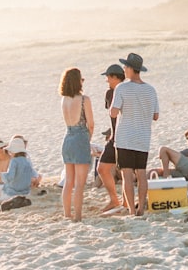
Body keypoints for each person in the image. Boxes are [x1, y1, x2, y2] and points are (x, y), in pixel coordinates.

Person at [110, 52, 159, 216]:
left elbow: (113, 113)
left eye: (125, 66)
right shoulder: (151, 90)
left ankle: (131, 210)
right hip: (143, 138)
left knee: (127, 175)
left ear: (131, 69)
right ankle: (141, 209)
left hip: (125, 138)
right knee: (141, 173)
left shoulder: (122, 88)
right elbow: (156, 116)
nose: (123, 69)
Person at [59, 68, 94, 221]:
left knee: (68, 181)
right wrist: (88, 138)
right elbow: (91, 124)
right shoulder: (84, 99)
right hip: (80, 136)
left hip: (68, 137)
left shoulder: (64, 100)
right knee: (80, 183)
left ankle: (67, 214)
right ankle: (78, 216)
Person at [97, 64, 127, 214]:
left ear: (115, 77)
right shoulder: (109, 94)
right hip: (114, 137)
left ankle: (125, 202)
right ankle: (114, 200)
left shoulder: (128, 91)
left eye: (108, 77)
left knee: (125, 171)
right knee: (102, 168)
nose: (107, 80)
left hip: (127, 137)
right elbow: (113, 118)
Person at [0, 136, 35, 201]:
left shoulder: (14, 161)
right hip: (26, 192)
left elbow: (9, 177)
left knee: (0, 189)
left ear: (14, 151)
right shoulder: (27, 161)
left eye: (11, 151)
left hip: (13, 193)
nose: (10, 153)